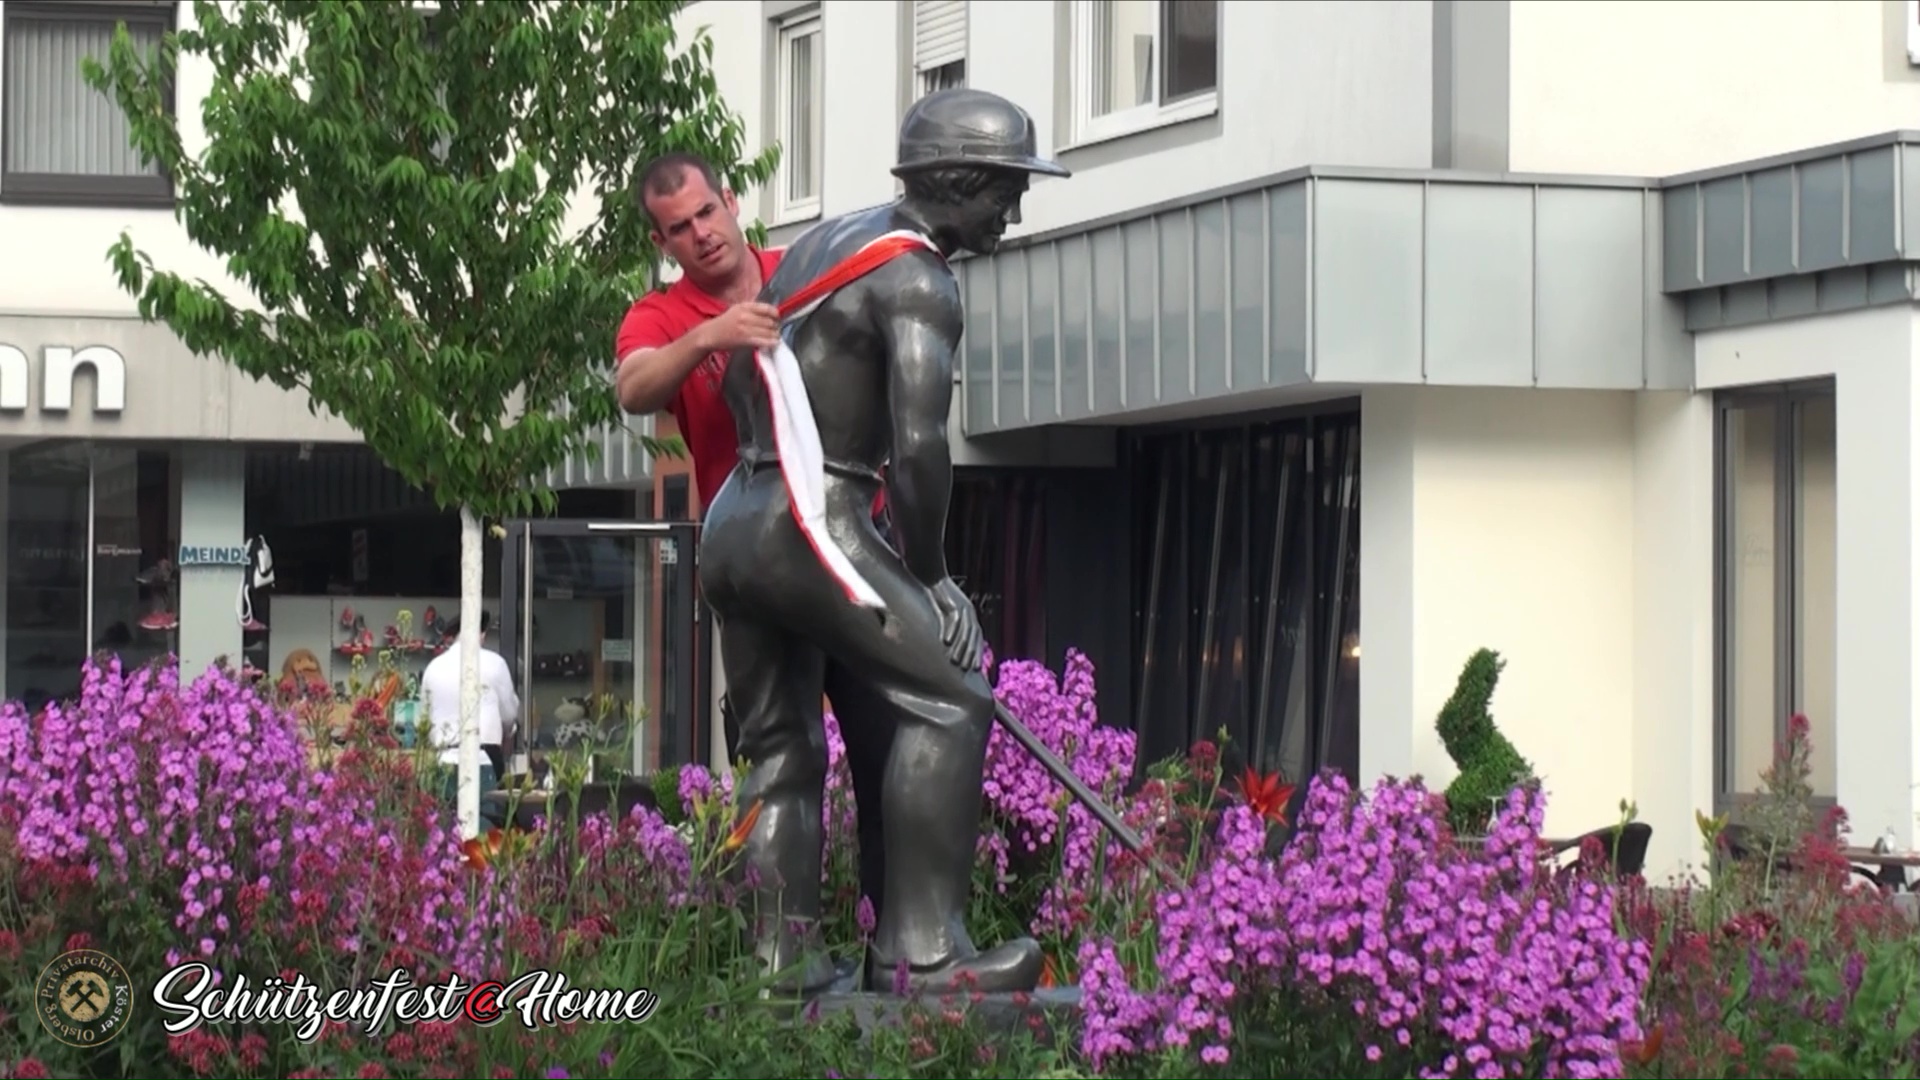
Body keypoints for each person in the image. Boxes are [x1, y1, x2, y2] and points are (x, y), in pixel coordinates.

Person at [698, 87, 1068, 997]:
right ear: (957, 181)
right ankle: (924, 956)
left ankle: (775, 971)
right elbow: (921, 441)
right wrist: (936, 579)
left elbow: (748, 380)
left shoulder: (820, 245)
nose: (1014, 213)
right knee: (950, 698)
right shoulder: (919, 279)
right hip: (813, 519)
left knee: (781, 747)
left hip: (735, 520)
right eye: (1005, 190)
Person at [613, 151, 896, 919]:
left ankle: (898, 951)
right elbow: (634, 385)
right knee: (780, 764)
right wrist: (713, 338)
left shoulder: (799, 268)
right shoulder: (661, 316)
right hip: (765, 574)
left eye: (707, 212)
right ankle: (781, 960)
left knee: (888, 751)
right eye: (679, 229)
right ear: (663, 244)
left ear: (732, 202)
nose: (701, 234)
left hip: (854, 555)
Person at [420, 610, 520, 799]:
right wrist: (508, 731)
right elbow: (509, 715)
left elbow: (424, 718)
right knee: (485, 825)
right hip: (484, 759)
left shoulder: (433, 668)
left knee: (445, 824)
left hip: (443, 760)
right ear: (482, 633)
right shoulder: (495, 663)